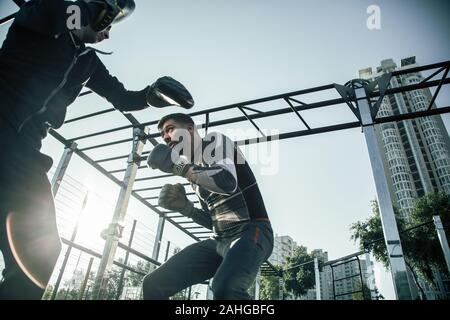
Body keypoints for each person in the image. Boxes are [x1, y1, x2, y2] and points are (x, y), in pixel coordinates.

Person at [0, 0, 194, 299]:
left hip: (24, 154)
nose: (108, 34)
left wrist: (154, 94)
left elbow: (125, 99)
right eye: (109, 23)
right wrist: (95, 9)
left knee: (41, 251)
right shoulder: (40, 17)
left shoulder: (87, 62)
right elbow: (57, 12)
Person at [144, 113, 274, 300]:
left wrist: (182, 168)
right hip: (220, 240)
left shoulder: (213, 141)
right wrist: (186, 208)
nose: (165, 137)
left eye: (170, 129)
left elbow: (227, 181)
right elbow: (214, 222)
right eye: (162, 134)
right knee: (153, 284)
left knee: (225, 288)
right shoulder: (194, 173)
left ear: (190, 129)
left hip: (253, 230)